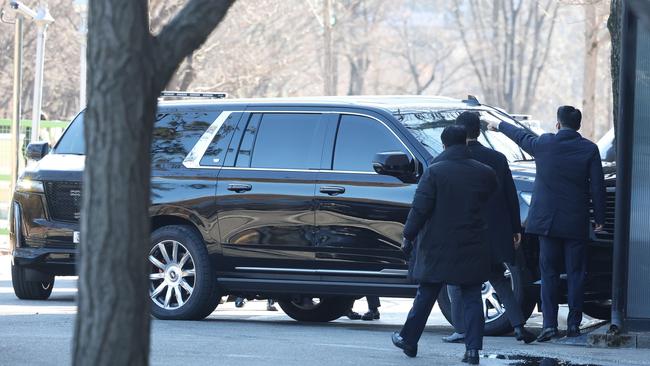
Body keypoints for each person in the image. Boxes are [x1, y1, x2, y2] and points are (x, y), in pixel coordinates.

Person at [487, 106, 605, 342]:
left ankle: (549, 326)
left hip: (546, 224)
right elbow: (597, 187)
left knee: (548, 274)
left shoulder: (545, 144)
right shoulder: (589, 149)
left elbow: (521, 136)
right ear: (578, 126)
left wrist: (497, 124)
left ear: (558, 124)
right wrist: (599, 219)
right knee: (576, 274)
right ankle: (573, 325)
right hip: (575, 223)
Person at [391, 125, 497, 365]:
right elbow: (489, 200)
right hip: (473, 243)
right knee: (471, 295)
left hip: (438, 245)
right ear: (466, 143)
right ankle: (472, 351)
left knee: (427, 292)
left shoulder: (435, 172)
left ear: (444, 144)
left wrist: (408, 235)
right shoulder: (485, 172)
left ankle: (408, 339)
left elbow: (420, 209)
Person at [443, 112, 536, 344]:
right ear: (479, 130)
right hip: (494, 231)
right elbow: (510, 196)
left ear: (459, 131)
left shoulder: (450, 159)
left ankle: (461, 328)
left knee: (454, 281)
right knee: (499, 279)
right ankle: (518, 326)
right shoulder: (497, 158)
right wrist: (515, 228)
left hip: (465, 232)